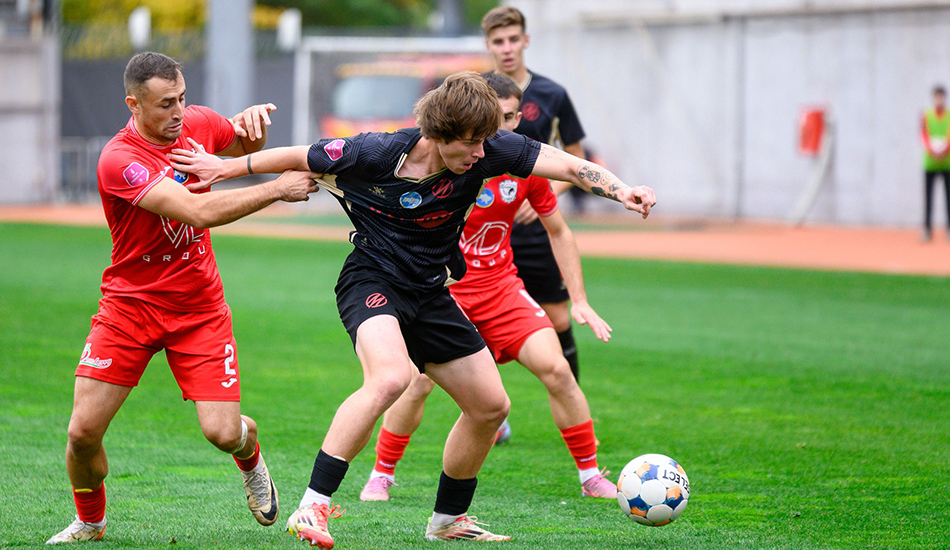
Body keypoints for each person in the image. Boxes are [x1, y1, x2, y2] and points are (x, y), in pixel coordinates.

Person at [170, 71, 655, 547]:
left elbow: (568, 165)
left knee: (491, 407)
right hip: (372, 280)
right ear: (439, 134)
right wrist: (224, 168)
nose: (482, 154)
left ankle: (448, 519)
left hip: (429, 291)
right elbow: (298, 154)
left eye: (485, 143)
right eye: (471, 144)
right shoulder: (375, 152)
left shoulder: (489, 147)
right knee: (390, 378)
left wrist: (623, 190)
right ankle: (312, 506)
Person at [46, 52, 319, 544]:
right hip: (130, 308)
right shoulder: (120, 160)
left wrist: (253, 128)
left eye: (182, 98)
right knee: (82, 434)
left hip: (199, 309)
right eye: (165, 104)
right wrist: (277, 189)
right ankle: (90, 522)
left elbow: (242, 145)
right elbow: (197, 212)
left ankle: (250, 452)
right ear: (134, 105)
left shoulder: (196, 123)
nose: (179, 112)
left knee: (223, 433)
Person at [357, 72, 619, 505]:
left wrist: (580, 300)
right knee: (415, 383)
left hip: (502, 290)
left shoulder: (524, 166)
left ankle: (590, 475)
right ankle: (381, 474)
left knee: (557, 369)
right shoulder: (445, 164)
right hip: (447, 293)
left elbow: (560, 230)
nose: (508, 127)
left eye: (513, 117)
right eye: (500, 118)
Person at [482, 6, 588, 393]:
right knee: (475, 325)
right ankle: (488, 411)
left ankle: (571, 396)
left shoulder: (552, 94)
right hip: (483, 226)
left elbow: (576, 159)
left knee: (557, 319)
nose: (507, 48)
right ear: (488, 45)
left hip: (534, 225)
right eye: (499, 41)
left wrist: (544, 195)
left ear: (526, 40)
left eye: (514, 39)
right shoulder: (473, 93)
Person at [921, 84, 950, 242]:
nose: (939, 100)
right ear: (933, 98)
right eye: (937, 97)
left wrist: (943, 150)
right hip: (930, 163)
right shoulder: (927, 115)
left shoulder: (949, 117)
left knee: (948, 199)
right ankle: (927, 229)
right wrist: (932, 150)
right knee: (928, 199)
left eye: (941, 97)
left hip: (946, 163)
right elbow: (923, 136)